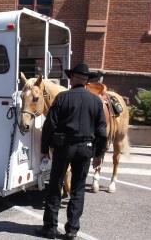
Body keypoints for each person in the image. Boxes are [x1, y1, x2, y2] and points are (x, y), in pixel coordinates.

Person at [35, 63, 107, 240]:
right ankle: (72, 230)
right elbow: (102, 131)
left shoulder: (62, 98)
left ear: (72, 78)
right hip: (86, 149)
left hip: (63, 148)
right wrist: (99, 154)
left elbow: (49, 126)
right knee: (78, 189)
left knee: (55, 186)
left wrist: (44, 150)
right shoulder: (96, 101)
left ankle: (50, 229)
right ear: (87, 81)